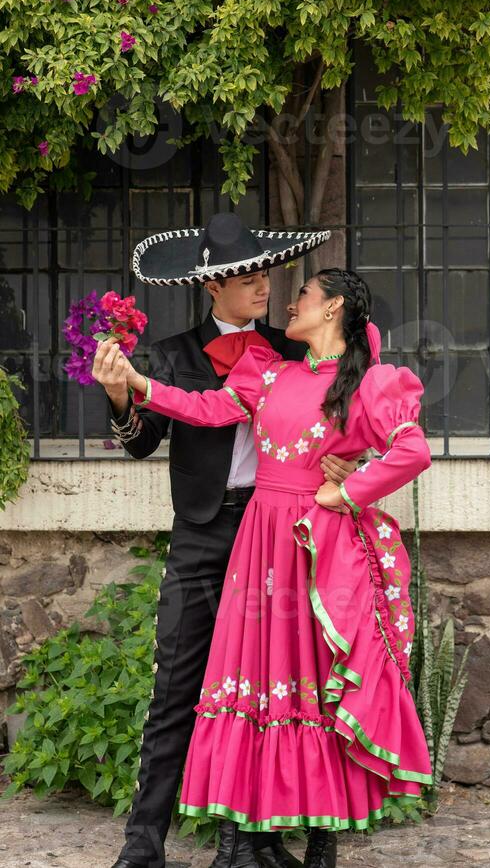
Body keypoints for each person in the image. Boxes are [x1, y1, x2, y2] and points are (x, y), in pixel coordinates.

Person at [94, 264, 434, 868]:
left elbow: (410, 448)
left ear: (331, 309)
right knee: (258, 679)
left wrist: (348, 488)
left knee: (314, 682)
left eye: (301, 292)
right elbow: (203, 408)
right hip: (258, 539)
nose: (284, 298)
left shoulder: (365, 382)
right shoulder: (271, 371)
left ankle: (311, 841)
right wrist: (138, 387)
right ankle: (222, 843)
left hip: (314, 544)